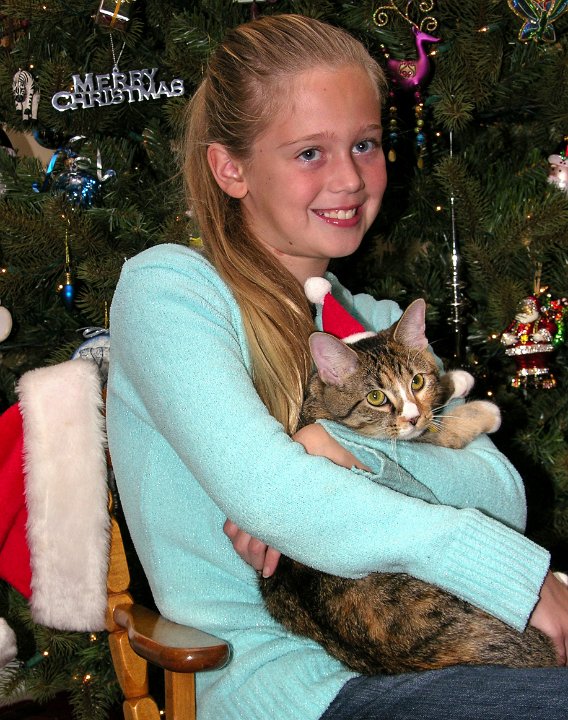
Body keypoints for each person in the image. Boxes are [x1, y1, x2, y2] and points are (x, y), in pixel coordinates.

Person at [106, 13, 568, 720]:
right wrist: (511, 575)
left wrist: (348, 450)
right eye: (309, 153)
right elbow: (272, 493)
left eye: (364, 144)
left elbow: (501, 494)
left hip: (446, 649)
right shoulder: (169, 291)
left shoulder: (373, 321)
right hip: (283, 684)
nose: (350, 178)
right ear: (230, 168)